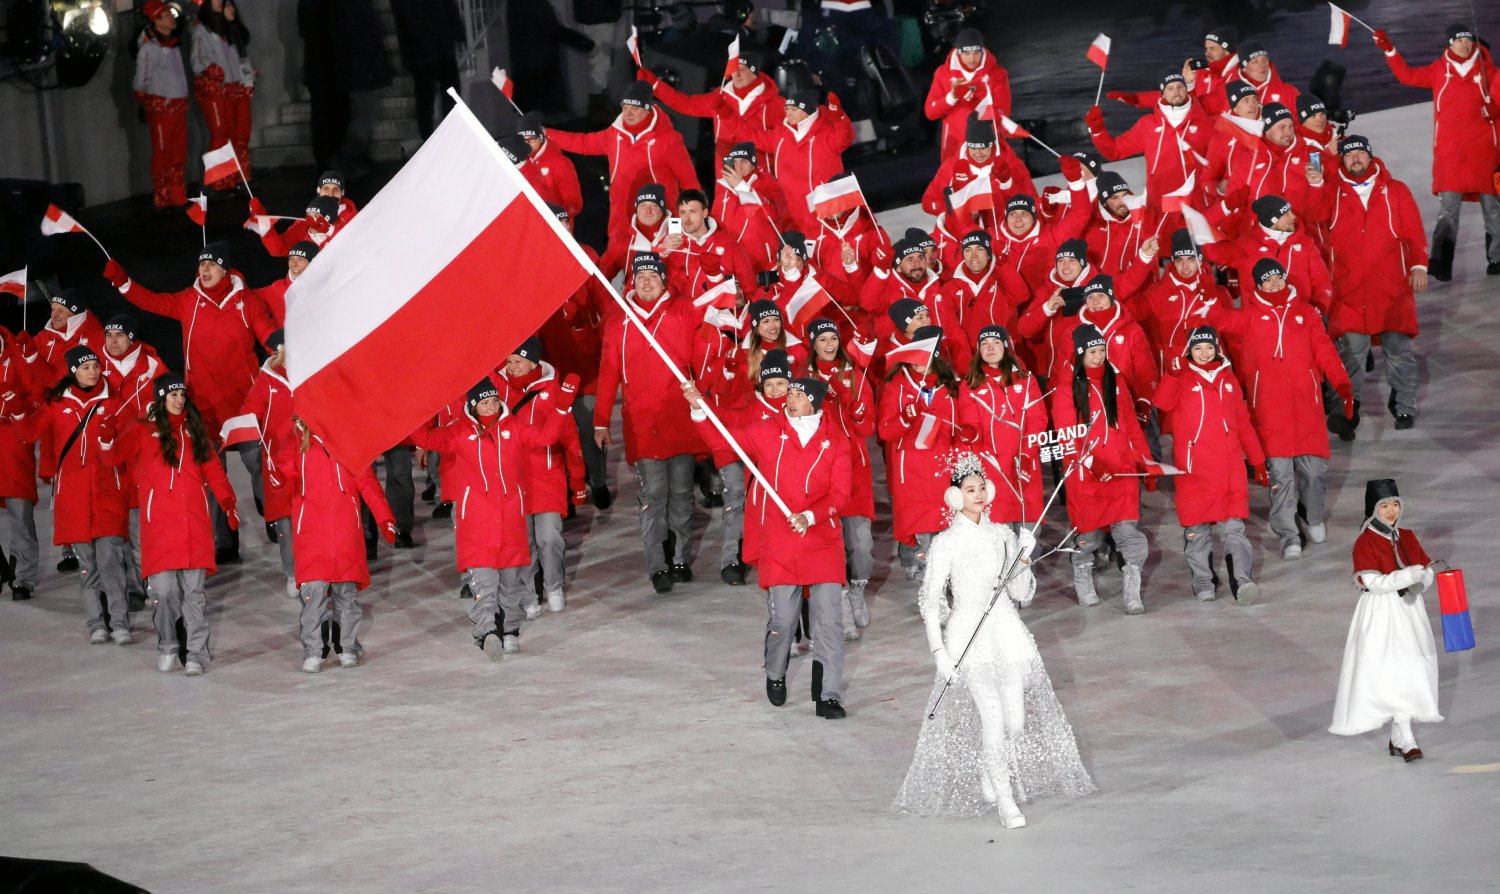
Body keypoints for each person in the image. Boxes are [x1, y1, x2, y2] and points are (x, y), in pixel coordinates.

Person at [893, 453, 1094, 826]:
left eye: (982, 487)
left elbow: (1020, 593)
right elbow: (932, 600)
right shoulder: (946, 543)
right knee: (993, 716)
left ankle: (991, 769)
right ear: (955, 496)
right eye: (970, 489)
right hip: (968, 634)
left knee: (1015, 720)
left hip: (1006, 630)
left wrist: (1022, 556)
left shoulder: (1003, 535)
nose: (979, 494)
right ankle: (1004, 797)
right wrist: (939, 651)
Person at [681, 376, 854, 719]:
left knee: (829, 621)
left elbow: (840, 495)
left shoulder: (836, 442)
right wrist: (698, 407)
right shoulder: (769, 431)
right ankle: (775, 671)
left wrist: (811, 515)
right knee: (784, 620)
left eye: (799, 395)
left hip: (821, 540)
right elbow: (724, 438)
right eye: (789, 393)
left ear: (815, 403)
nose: (790, 398)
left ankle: (828, 693)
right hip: (781, 538)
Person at [105, 243, 277, 562]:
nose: (204, 270)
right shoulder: (188, 301)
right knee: (212, 478)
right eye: (201, 266)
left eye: (211, 266)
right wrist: (122, 282)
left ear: (225, 270)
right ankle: (225, 541)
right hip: (203, 408)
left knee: (260, 466)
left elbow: (265, 328)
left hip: (244, 405)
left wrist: (277, 344)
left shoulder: (246, 302)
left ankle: (272, 514)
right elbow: (152, 302)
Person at [409, 376, 577, 660]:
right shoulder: (459, 432)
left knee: (512, 582)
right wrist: (415, 409)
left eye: (494, 401)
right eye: (484, 403)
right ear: (473, 407)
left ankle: (510, 631)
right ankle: (487, 632)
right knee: (484, 583)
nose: (490, 407)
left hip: (511, 519)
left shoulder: (514, 426)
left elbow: (546, 437)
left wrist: (562, 407)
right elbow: (426, 438)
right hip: (477, 522)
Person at [1206, 259, 1352, 560]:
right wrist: (1208, 300)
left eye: (1278, 278)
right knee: (1281, 476)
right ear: (1258, 285)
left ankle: (1312, 516)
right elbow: (1222, 322)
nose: (1274, 284)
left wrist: (1342, 385)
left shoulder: (1306, 314)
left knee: (1314, 472)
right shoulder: (1249, 316)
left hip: (1307, 409)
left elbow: (1325, 352)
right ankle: (1289, 534)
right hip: (1271, 412)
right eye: (1267, 280)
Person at [100, 374, 236, 675]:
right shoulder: (140, 430)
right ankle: (168, 644)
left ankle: (197, 655)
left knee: (195, 595)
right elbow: (112, 457)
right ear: (160, 399)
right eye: (172, 395)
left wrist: (227, 502)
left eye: (182, 395)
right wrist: (106, 435)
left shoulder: (194, 430)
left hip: (193, 526)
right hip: (159, 528)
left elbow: (213, 469)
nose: (178, 400)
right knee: (163, 592)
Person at [593, 253, 710, 593]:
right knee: (653, 495)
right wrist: (601, 421)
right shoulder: (620, 322)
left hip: (680, 420)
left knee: (682, 495)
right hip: (643, 427)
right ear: (632, 282)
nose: (646, 282)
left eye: (652, 276)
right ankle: (657, 564)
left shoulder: (683, 310)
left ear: (663, 281)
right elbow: (607, 375)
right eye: (640, 276)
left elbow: (712, 324)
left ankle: (681, 558)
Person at [1313, 135, 1429, 435]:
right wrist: (1315, 183)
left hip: (1391, 291)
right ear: (1342, 160)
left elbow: (1414, 234)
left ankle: (1404, 406)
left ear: (1370, 156)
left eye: (1360, 155)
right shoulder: (1331, 192)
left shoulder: (1396, 191)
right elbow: (1313, 216)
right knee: (1350, 358)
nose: (1355, 160)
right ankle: (1346, 414)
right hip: (1349, 292)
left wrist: (1418, 266)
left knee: (1398, 353)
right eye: (1350, 156)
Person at [1373, 23, 1500, 279]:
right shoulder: (1438, 70)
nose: (1464, 45)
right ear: (1449, 44)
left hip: (1485, 154)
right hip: (1450, 157)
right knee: (1448, 213)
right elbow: (1406, 76)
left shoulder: (1491, 73)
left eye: (1467, 41)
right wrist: (1389, 50)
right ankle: (1441, 263)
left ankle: (1497, 259)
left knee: (1494, 211)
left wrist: (1496, 110)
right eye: (1458, 41)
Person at [1151, 327, 1268, 603]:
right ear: (1189, 351)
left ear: (1217, 349)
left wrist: (1258, 460)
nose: (1204, 353)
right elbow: (1162, 403)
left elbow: (1243, 424)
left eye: (1209, 347)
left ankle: (1243, 581)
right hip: (1195, 471)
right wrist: (1172, 374)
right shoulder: (1182, 378)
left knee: (1234, 531)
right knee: (1197, 531)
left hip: (1229, 469)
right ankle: (1203, 580)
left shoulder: (1229, 380)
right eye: (1198, 348)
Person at [1330, 479, 1443, 761]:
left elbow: (1425, 570)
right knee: (1388, 672)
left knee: (1410, 668)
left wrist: (1422, 580)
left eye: (1395, 504)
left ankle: (1400, 735)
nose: (1391, 511)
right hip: (1381, 614)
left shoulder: (1407, 535)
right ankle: (1405, 737)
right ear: (1373, 509)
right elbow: (1373, 582)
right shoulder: (1365, 541)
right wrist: (1409, 576)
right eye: (1384, 505)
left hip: (1409, 613)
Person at [27, 347, 131, 645]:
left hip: (107, 494)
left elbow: (130, 440)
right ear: (73, 371)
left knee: (111, 560)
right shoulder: (58, 404)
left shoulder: (114, 402)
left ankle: (120, 623)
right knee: (88, 566)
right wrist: (16, 409)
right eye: (86, 367)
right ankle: (97, 624)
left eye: (96, 365)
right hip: (74, 498)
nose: (93, 371)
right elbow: (30, 432)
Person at [1050, 325, 1157, 614]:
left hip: (1120, 471)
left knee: (1128, 531)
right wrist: (1093, 462)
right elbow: (1067, 436)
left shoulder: (1116, 379)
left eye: (1102, 351)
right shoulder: (1066, 389)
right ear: (1080, 354)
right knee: (1090, 536)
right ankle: (1082, 573)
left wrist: (1145, 461)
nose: (1098, 357)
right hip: (1087, 476)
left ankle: (1132, 589)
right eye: (1092, 352)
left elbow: (1131, 426)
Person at [279, 416, 396, 673]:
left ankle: (347, 646)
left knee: (346, 594)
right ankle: (314, 649)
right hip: (312, 534)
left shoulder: (348, 444)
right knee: (314, 594)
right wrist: (278, 478)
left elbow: (367, 483)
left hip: (345, 534)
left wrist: (385, 517)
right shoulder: (296, 441)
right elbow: (284, 478)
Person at [878, 325, 979, 581]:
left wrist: (967, 437)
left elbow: (964, 428)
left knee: (948, 533)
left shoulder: (952, 385)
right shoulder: (896, 386)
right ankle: (931, 592)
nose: (921, 363)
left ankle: (949, 584)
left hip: (944, 471)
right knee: (925, 537)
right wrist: (904, 418)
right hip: (912, 473)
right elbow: (885, 432)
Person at [495, 337, 587, 615]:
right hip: (512, 481)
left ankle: (554, 586)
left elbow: (570, 439)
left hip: (547, 477)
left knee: (549, 538)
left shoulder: (553, 391)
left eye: (517, 361)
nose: (511, 367)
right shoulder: (499, 388)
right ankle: (529, 594)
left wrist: (578, 483)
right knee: (523, 543)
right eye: (509, 361)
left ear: (533, 363)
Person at [544, 82, 701, 238]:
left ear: (647, 109)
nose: (628, 113)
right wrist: (546, 134)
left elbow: (689, 182)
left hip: (656, 216)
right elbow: (582, 143)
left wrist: (685, 226)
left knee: (662, 258)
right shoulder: (614, 134)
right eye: (625, 108)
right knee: (616, 257)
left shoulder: (668, 140)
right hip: (621, 217)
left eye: (634, 108)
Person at [805, 319, 875, 633]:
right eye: (823, 339)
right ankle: (841, 598)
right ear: (813, 345)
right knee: (830, 543)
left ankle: (858, 589)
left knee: (860, 543)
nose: (830, 344)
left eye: (834, 338)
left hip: (854, 470)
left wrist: (856, 411)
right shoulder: (805, 380)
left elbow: (867, 428)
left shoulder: (854, 376)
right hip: (823, 472)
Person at [1085, 71, 1210, 209]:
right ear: (1161, 93)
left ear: (1186, 90)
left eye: (1180, 86)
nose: (1176, 92)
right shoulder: (1147, 125)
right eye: (1170, 88)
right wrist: (1097, 131)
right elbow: (1114, 151)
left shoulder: (1204, 123)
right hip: (1159, 203)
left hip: (1196, 202)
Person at [962, 325, 1047, 526]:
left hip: (1023, 464)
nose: (990, 348)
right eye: (985, 344)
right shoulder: (969, 385)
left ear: (1006, 346)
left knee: (1029, 536)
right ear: (979, 350)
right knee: (1000, 534)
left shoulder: (1026, 380)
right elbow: (970, 423)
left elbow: (1038, 420)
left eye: (996, 342)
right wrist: (970, 435)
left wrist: (1026, 454)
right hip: (992, 468)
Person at [238, 329, 298, 597]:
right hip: (278, 463)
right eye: (274, 352)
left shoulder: (310, 374)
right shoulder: (266, 381)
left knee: (312, 516)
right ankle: (292, 572)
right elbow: (249, 414)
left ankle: (318, 569)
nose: (277, 356)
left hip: (310, 458)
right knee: (285, 522)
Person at [639, 51, 783, 162]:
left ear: (755, 74)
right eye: (734, 69)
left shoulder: (776, 105)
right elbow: (685, 104)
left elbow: (784, 144)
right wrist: (655, 85)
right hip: (726, 181)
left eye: (743, 69)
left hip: (762, 182)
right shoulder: (720, 98)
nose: (737, 74)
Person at [753, 89, 855, 233]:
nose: (788, 113)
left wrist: (838, 117)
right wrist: (727, 116)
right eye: (787, 109)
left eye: (794, 109)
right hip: (796, 210)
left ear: (807, 111)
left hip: (829, 206)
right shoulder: (781, 135)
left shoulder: (825, 131)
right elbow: (751, 135)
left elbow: (845, 137)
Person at [132, 1, 189, 210]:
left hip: (178, 105)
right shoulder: (149, 49)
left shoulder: (172, 46)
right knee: (163, 152)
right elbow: (141, 79)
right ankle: (163, 197)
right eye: (167, 15)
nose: (172, 17)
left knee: (178, 152)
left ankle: (177, 195)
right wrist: (147, 102)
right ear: (156, 20)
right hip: (162, 107)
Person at [191, 0, 253, 190]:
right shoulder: (201, 30)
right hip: (214, 89)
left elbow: (237, 59)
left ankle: (238, 179)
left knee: (236, 133)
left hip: (231, 87)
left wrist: (245, 77)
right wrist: (211, 69)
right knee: (220, 134)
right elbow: (197, 60)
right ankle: (218, 183)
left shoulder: (226, 30)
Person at [0, 326, 42, 601]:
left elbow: (38, 397)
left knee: (20, 515)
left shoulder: (17, 359)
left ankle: (23, 578)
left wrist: (17, 407)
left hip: (13, 444)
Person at [924, 28, 1012, 159]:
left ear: (982, 50)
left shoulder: (997, 74)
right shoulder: (943, 73)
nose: (972, 59)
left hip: (986, 146)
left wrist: (977, 97)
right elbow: (930, 112)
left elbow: (1003, 112)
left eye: (976, 53)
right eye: (967, 54)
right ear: (958, 53)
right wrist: (951, 97)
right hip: (955, 148)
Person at [389, 0, 462, 140]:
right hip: (435, 40)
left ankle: (430, 136)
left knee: (427, 95)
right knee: (444, 90)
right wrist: (456, 31)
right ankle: (447, 132)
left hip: (422, 44)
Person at [516, 114, 584, 220]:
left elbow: (574, 204)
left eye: (532, 139)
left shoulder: (561, 163)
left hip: (553, 227)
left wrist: (557, 217)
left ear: (541, 137)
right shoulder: (518, 161)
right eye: (523, 140)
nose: (527, 144)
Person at [33, 289, 105, 383]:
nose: (54, 315)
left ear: (75, 315)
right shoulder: (42, 338)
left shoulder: (98, 338)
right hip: (47, 394)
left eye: (60, 311)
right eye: (53, 309)